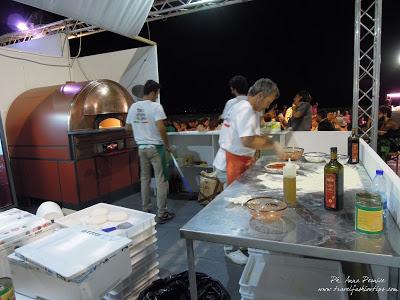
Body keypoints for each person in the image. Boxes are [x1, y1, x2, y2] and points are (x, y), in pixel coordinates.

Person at [126, 80, 175, 224]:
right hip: (155, 149)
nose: (157, 96)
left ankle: (145, 210)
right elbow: (161, 128)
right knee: (161, 180)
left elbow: (127, 128)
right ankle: (162, 213)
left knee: (145, 179)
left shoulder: (134, 107)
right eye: (157, 93)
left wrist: (140, 129)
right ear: (153, 92)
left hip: (141, 148)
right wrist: (167, 145)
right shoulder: (156, 107)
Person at [214, 75, 249, 186]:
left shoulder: (231, 103)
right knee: (238, 188)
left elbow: (224, 120)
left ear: (233, 89)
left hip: (229, 158)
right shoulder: (253, 103)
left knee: (231, 190)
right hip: (238, 157)